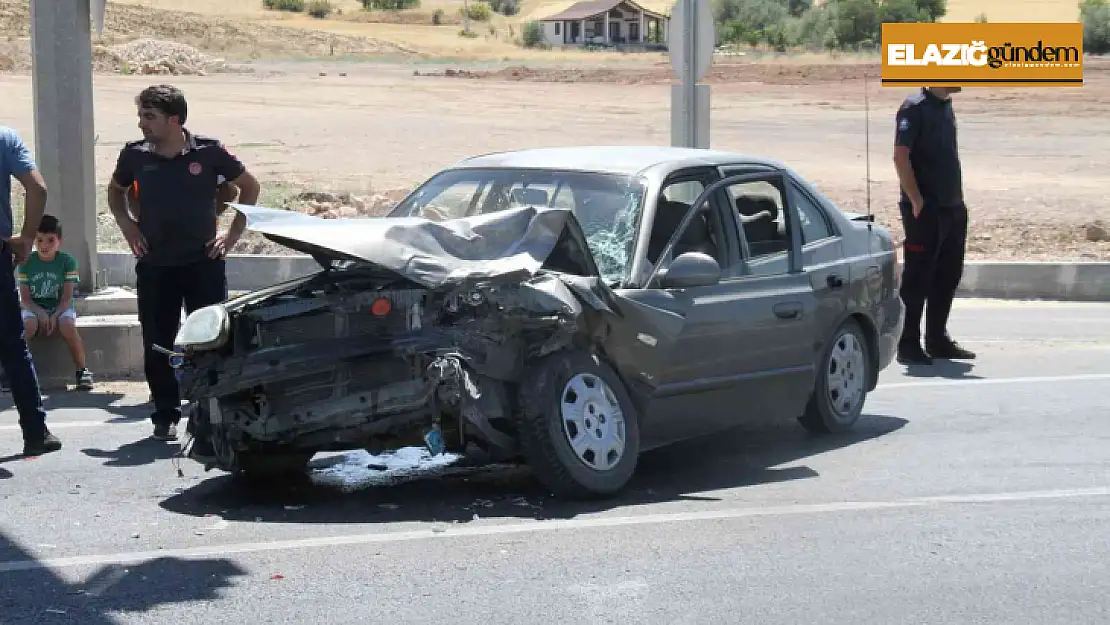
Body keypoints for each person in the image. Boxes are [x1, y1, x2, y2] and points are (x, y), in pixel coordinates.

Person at [106, 85, 260, 442]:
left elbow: (248, 187)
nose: (142, 124)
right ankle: (165, 413)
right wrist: (128, 225)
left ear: (174, 119)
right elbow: (115, 192)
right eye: (141, 116)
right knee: (157, 341)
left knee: (210, 340)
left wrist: (231, 236)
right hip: (156, 265)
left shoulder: (209, 152)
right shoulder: (134, 155)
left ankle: (209, 412)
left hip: (203, 263)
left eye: (150, 117)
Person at [892, 86, 977, 365]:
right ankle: (908, 343)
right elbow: (900, 156)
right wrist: (915, 198)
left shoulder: (945, 105)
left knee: (947, 275)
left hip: (952, 206)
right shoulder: (914, 108)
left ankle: (937, 339)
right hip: (925, 210)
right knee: (918, 278)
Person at [0, 125, 61, 456]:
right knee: (12, 346)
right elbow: (37, 188)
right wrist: (25, 238)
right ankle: (36, 432)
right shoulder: (5, 138)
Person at [17, 214, 94, 390]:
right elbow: (26, 299)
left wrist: (55, 314)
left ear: (59, 240)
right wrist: (41, 313)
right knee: (27, 325)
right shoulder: (26, 262)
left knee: (67, 324)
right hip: (34, 307)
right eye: (40, 240)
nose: (44, 246)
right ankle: (11, 370)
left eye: (50, 240)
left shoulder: (67, 262)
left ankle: (82, 370)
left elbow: (67, 298)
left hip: (61, 306)